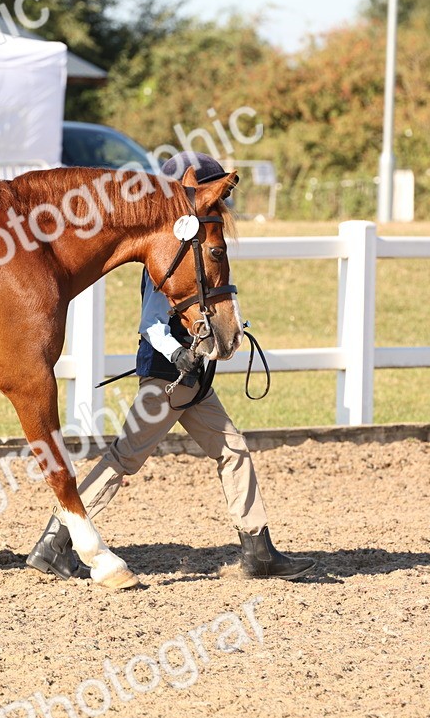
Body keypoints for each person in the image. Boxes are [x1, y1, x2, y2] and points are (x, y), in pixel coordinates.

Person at [26, 151, 316, 582]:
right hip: (169, 378)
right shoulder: (165, 258)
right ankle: (55, 541)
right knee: (122, 460)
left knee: (232, 450)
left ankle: (258, 551)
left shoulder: (187, 253)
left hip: (189, 380)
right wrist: (179, 354)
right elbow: (150, 324)